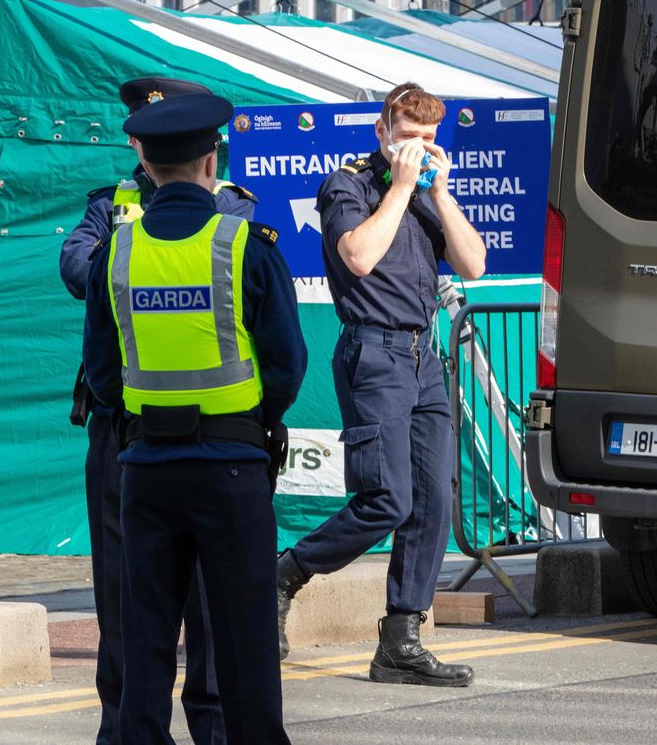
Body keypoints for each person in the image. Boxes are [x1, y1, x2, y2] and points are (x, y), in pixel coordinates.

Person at [84, 92, 306, 745]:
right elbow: (286, 361)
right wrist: (255, 419)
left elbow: (100, 370)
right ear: (213, 160)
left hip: (146, 469)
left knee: (146, 638)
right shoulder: (246, 246)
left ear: (145, 165)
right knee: (243, 642)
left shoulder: (116, 254)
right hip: (231, 466)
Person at [60, 76, 255, 745]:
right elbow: (75, 266)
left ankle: (213, 726)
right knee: (122, 592)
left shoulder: (233, 209)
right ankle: (125, 728)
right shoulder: (109, 206)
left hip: (208, 428)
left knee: (208, 597)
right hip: (122, 428)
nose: (150, 145)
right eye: (144, 133)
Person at [274, 82, 484, 686]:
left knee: (434, 502)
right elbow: (359, 257)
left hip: (424, 358)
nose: (420, 149)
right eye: (409, 137)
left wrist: (439, 196)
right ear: (381, 133)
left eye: (429, 139)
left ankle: (400, 639)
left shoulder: (425, 196)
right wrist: (397, 187)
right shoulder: (350, 185)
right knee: (387, 499)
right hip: (374, 352)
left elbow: (473, 265)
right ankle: (284, 574)